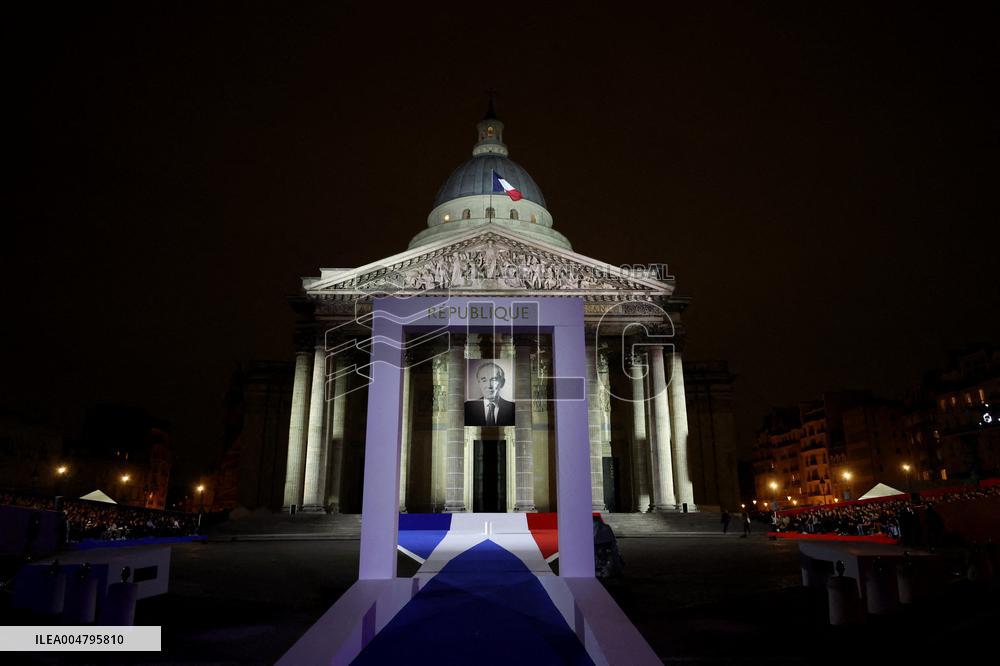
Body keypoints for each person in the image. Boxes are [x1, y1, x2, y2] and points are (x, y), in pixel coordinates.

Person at [464, 360, 515, 426]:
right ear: (479, 383)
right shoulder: (466, 408)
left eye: (494, 380)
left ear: (502, 383)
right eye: (484, 380)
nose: (489, 386)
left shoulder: (513, 409)